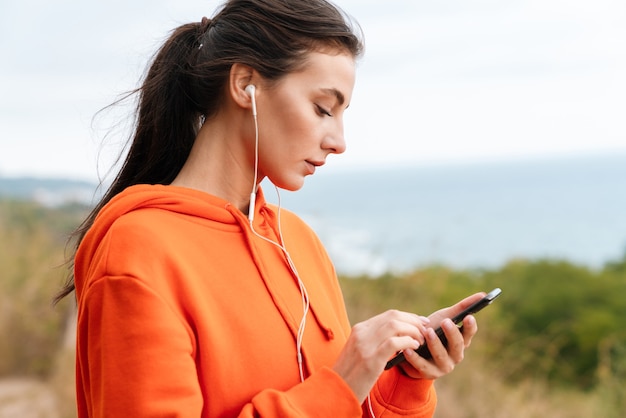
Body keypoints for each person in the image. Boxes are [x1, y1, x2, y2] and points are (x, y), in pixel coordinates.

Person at [55, 0, 485, 416]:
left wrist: (403, 380)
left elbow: (341, 407)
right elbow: (331, 399)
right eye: (322, 109)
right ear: (245, 84)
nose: (338, 141)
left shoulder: (298, 241)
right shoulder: (139, 251)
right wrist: (341, 383)